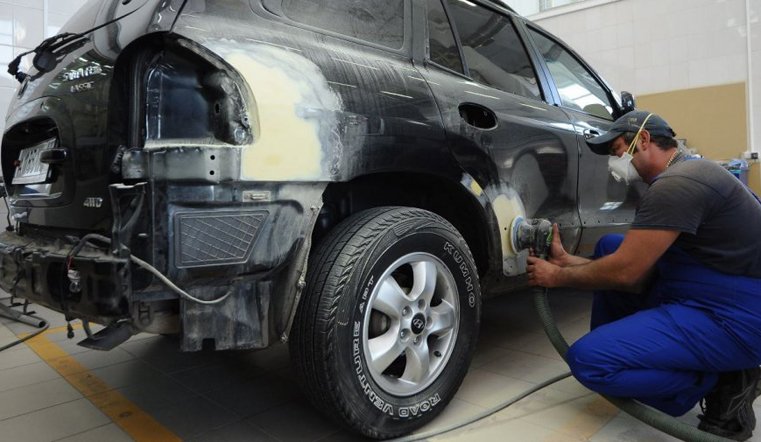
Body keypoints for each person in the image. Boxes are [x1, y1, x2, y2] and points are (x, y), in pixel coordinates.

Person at [526, 110, 761, 441]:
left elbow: (626, 274)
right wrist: (565, 262)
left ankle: (721, 381)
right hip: (714, 287)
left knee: (589, 361)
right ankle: (643, 353)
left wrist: (555, 277)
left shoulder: (676, 185)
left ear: (645, 139)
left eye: (618, 150)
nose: (615, 162)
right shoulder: (693, 171)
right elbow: (633, 266)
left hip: (735, 317)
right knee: (610, 245)